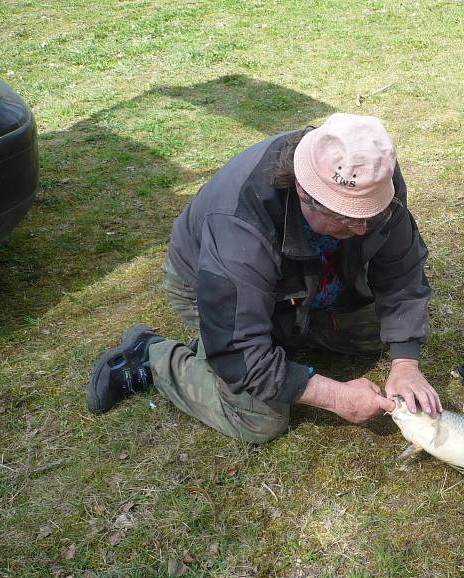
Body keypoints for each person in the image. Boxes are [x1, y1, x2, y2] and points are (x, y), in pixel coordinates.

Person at [86, 113, 441, 443]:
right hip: (212, 286)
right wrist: (334, 396)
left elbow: (400, 269)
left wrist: (406, 363)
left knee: (376, 332)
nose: (364, 228)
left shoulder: (372, 177)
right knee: (258, 417)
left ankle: (280, 336)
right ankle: (152, 355)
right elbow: (239, 349)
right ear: (305, 193)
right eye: (347, 219)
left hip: (304, 281)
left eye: (369, 214)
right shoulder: (240, 222)